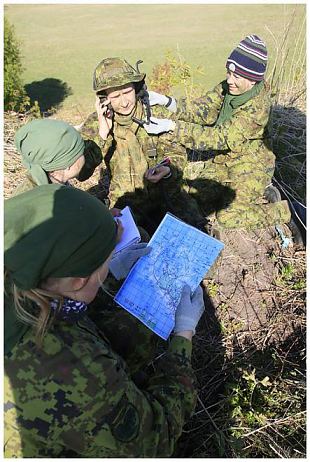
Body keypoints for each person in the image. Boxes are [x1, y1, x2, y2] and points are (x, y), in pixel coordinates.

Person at [4, 184, 205, 457]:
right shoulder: (72, 368)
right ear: (78, 280)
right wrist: (184, 334)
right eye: (106, 260)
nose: (109, 265)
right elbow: (153, 442)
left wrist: (108, 271)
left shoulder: (17, 261)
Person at [143, 35, 296, 236]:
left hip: (251, 163)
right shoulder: (227, 88)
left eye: (237, 76)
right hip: (224, 159)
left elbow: (220, 137)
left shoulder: (257, 107)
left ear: (252, 79)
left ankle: (286, 210)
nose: (229, 80)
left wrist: (173, 127)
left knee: (228, 217)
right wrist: (166, 101)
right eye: (228, 73)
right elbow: (202, 110)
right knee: (189, 197)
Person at [79, 57, 206, 235]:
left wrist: (168, 170)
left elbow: (176, 153)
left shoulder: (154, 113)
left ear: (136, 88)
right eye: (115, 96)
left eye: (127, 92)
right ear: (103, 99)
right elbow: (82, 172)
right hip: (126, 202)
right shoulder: (96, 123)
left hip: (163, 195)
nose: (124, 103)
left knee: (194, 233)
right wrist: (102, 134)